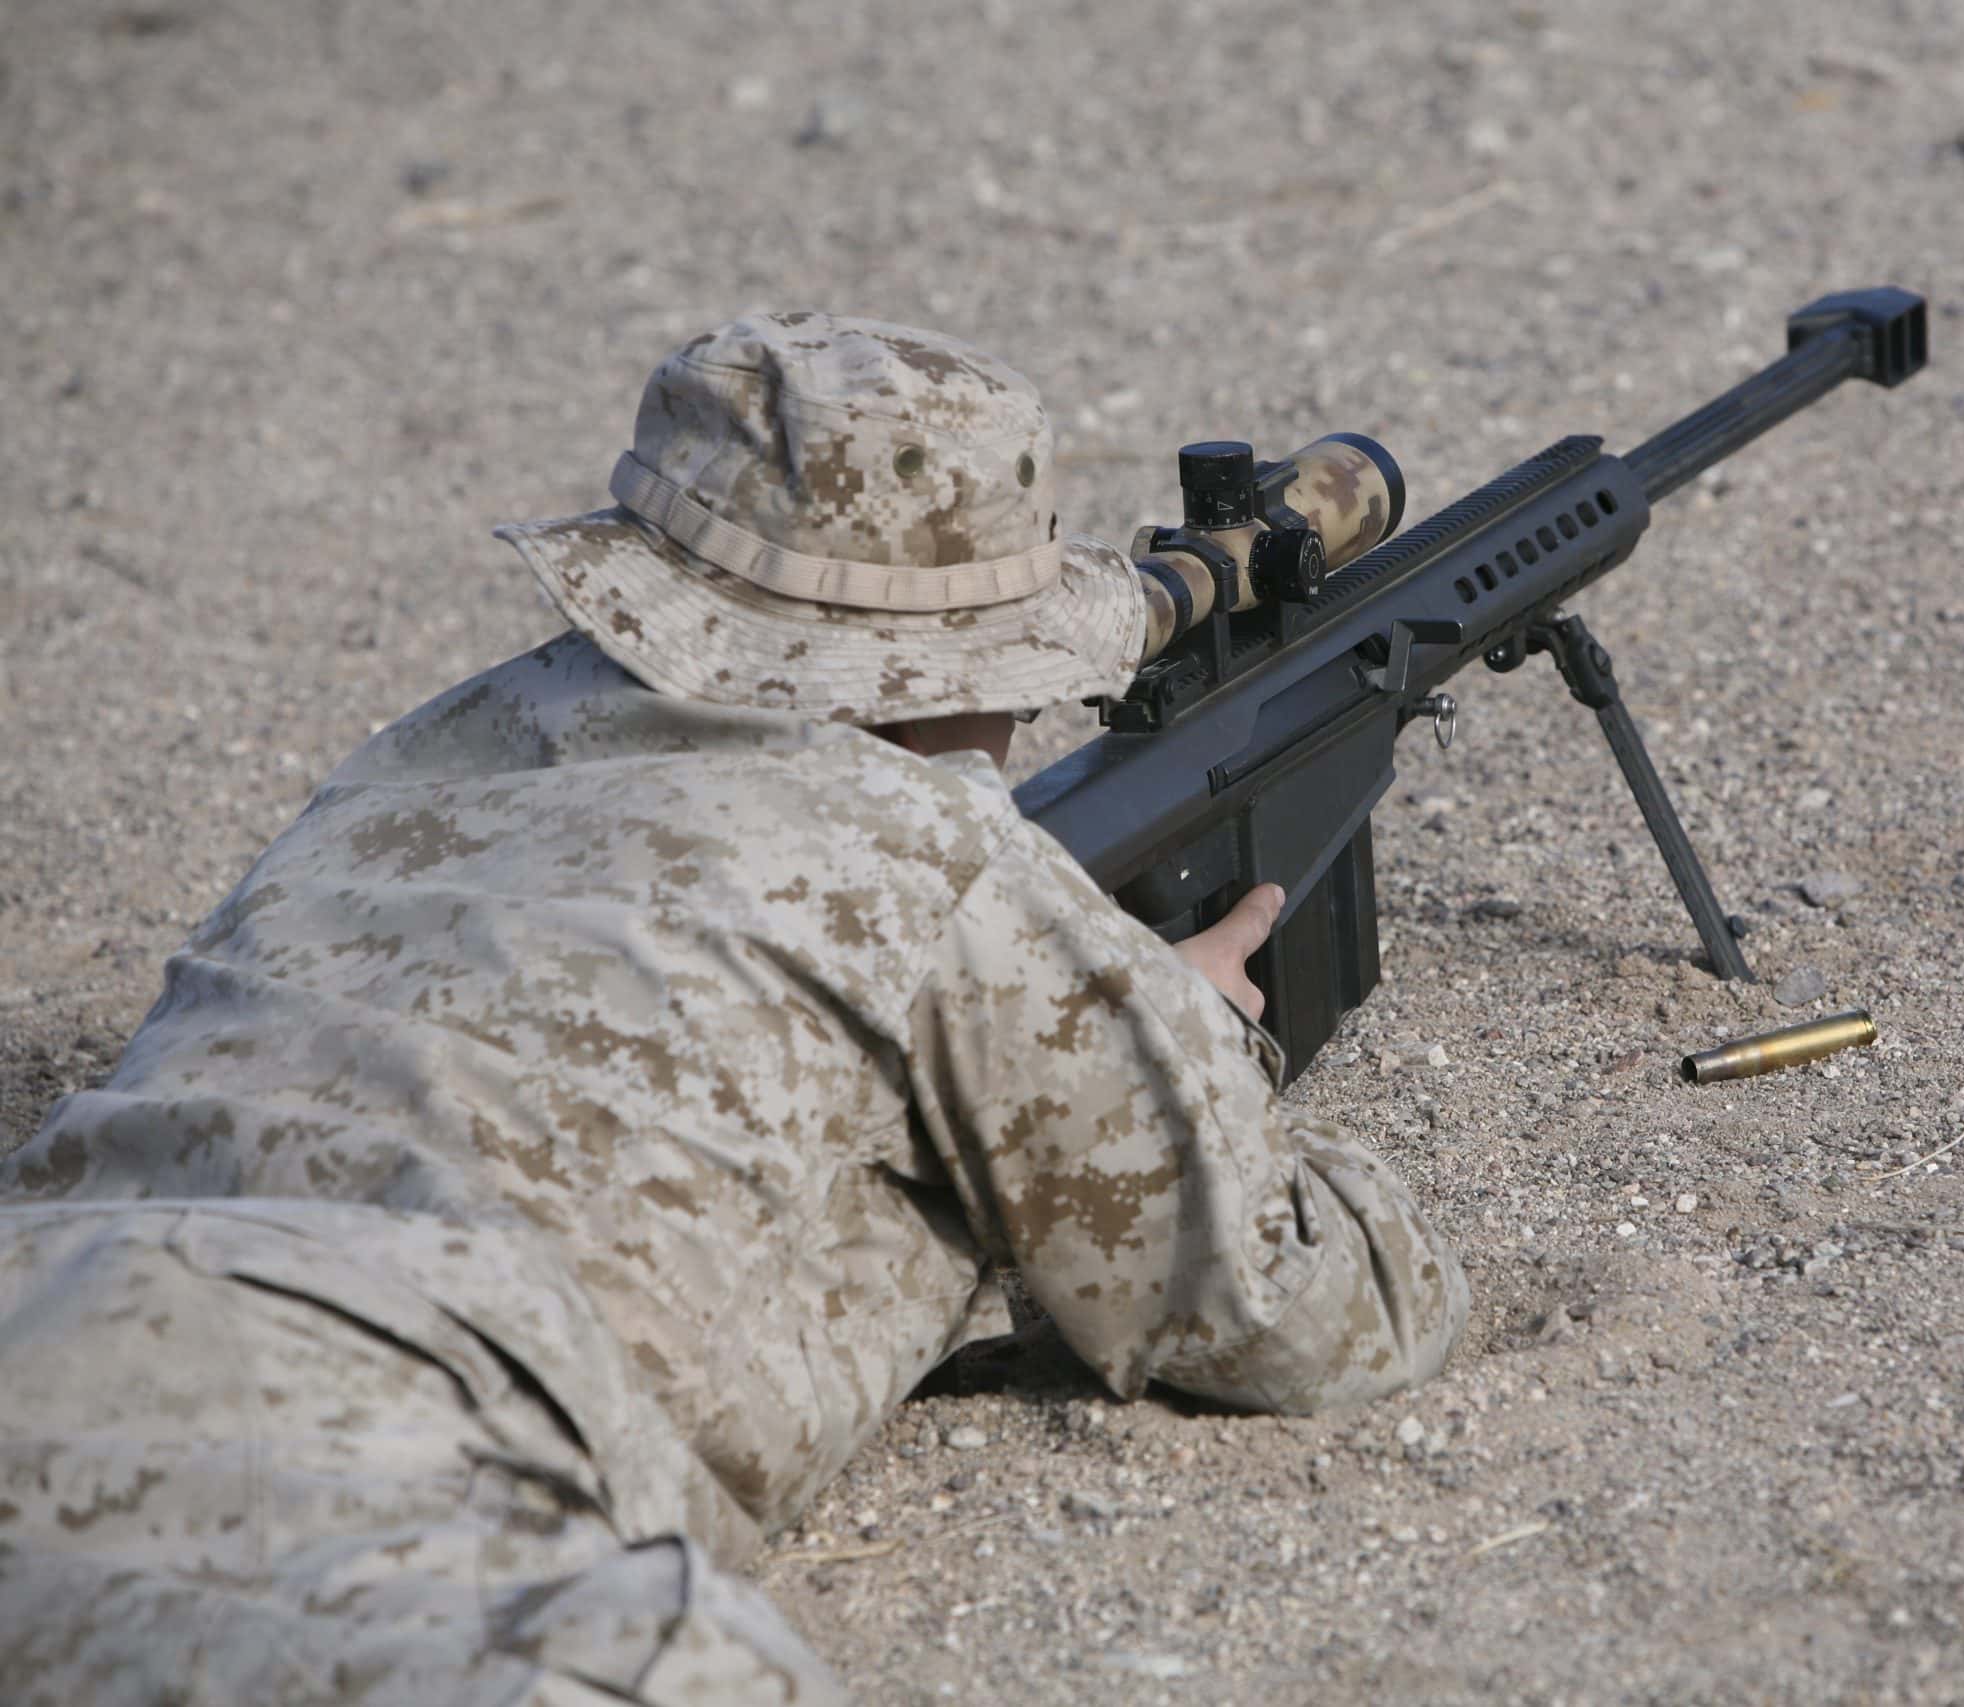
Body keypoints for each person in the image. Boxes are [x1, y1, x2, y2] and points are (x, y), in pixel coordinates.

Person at [0, 313, 1468, 1704]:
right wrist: (1192, 1044)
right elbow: (1310, 1315)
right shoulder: (926, 858)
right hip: (391, 1422)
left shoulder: (430, 747)